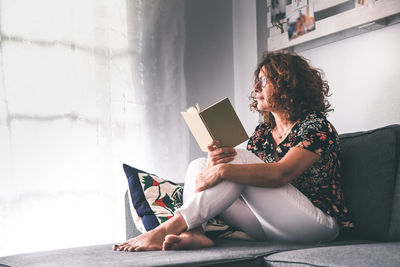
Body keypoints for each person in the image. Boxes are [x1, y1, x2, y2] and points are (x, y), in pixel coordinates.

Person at [113, 51, 354, 252]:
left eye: (263, 81)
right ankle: (196, 232)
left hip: (317, 224)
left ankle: (167, 228)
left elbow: (281, 174)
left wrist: (224, 170)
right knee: (198, 164)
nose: (255, 88)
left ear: (286, 84)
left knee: (236, 161)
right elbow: (234, 188)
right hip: (268, 224)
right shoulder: (263, 133)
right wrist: (212, 165)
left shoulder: (316, 126)